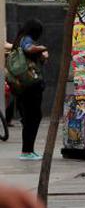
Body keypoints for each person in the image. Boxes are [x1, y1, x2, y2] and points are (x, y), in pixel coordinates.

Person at [12, 19, 46, 161]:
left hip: (23, 86)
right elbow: (29, 48)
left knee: (31, 118)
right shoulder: (26, 40)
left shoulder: (19, 39)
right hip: (31, 86)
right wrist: (43, 48)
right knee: (33, 117)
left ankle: (28, 150)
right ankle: (27, 151)